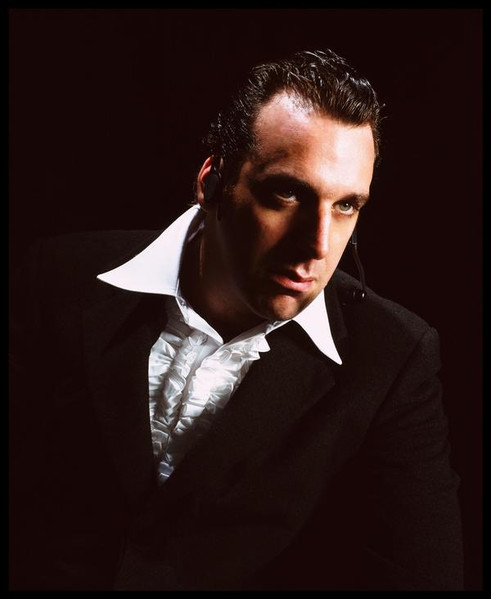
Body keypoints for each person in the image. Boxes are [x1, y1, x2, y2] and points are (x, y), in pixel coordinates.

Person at [9, 48, 464, 591]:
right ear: (212, 182)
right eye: (287, 193)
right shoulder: (57, 279)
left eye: (346, 205)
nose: (318, 246)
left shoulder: (393, 356)